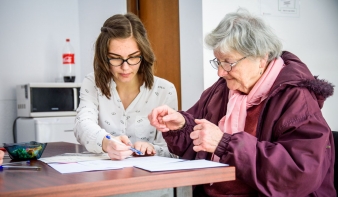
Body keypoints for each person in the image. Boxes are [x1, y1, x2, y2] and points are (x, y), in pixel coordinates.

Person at [148, 8, 335, 197]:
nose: (220, 72)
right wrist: (181, 126)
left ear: (261, 59)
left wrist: (225, 144)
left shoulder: (296, 98)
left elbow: (299, 172)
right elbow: (197, 146)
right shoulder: (222, 89)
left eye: (228, 62)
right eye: (218, 61)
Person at [74, 13, 178, 161]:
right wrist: (106, 142)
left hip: (149, 180)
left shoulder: (165, 90)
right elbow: (82, 125)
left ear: (143, 54)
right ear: (104, 57)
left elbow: (173, 150)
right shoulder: (92, 82)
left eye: (133, 57)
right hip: (105, 176)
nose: (125, 67)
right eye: (115, 58)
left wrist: (152, 149)